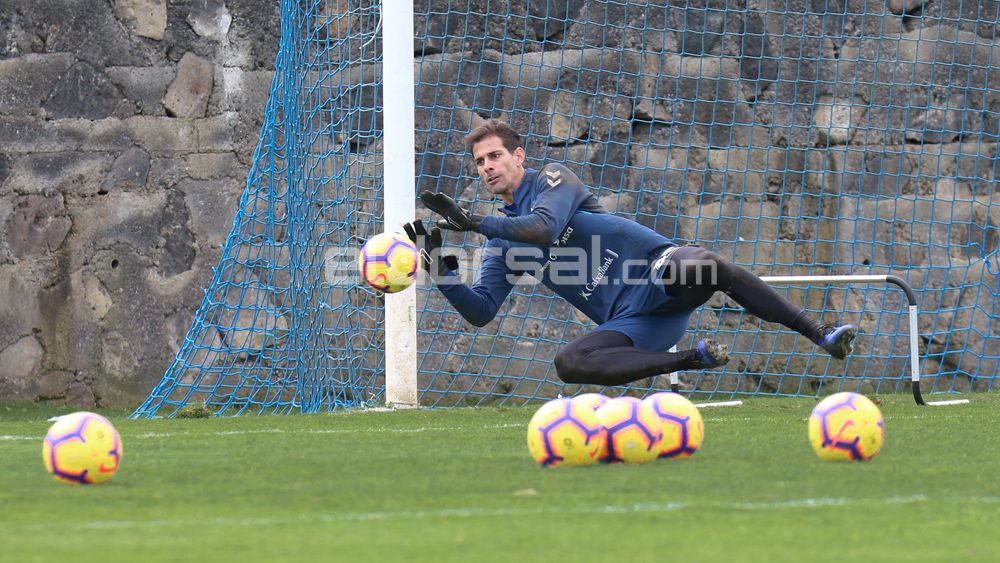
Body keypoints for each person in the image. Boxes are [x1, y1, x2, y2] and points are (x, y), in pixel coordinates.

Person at [403, 119, 856, 387]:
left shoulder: (553, 179)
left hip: (659, 272)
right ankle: (692, 358)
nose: (487, 167)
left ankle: (820, 334)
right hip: (633, 322)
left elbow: (544, 227)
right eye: (480, 162)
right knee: (569, 363)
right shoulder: (501, 243)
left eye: (494, 156)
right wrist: (440, 271)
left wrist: (474, 221)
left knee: (703, 264)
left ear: (518, 156)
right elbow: (481, 311)